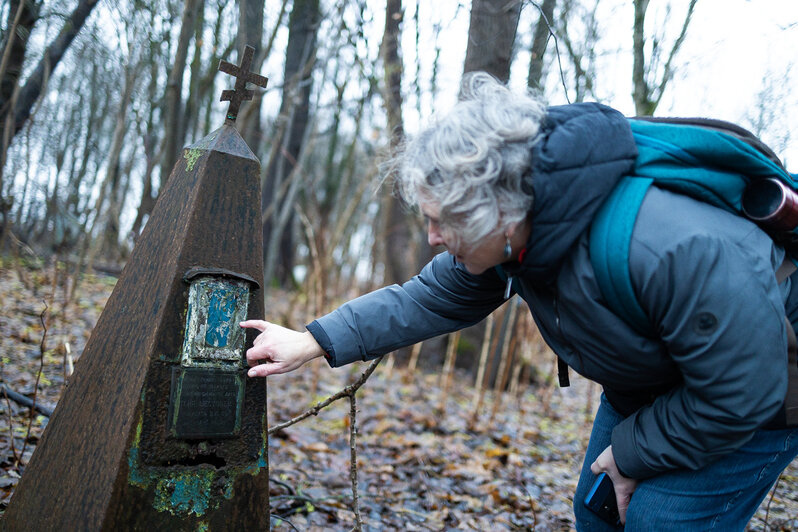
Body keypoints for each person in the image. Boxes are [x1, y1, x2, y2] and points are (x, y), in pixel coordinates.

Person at [240, 73, 798, 530]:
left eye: (440, 222)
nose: (432, 237)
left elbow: (741, 391)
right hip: (655, 381)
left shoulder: (667, 243)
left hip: (760, 395)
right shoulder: (514, 237)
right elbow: (429, 296)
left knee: (660, 520)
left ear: (495, 211)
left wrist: (632, 453)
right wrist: (313, 339)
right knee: (598, 510)